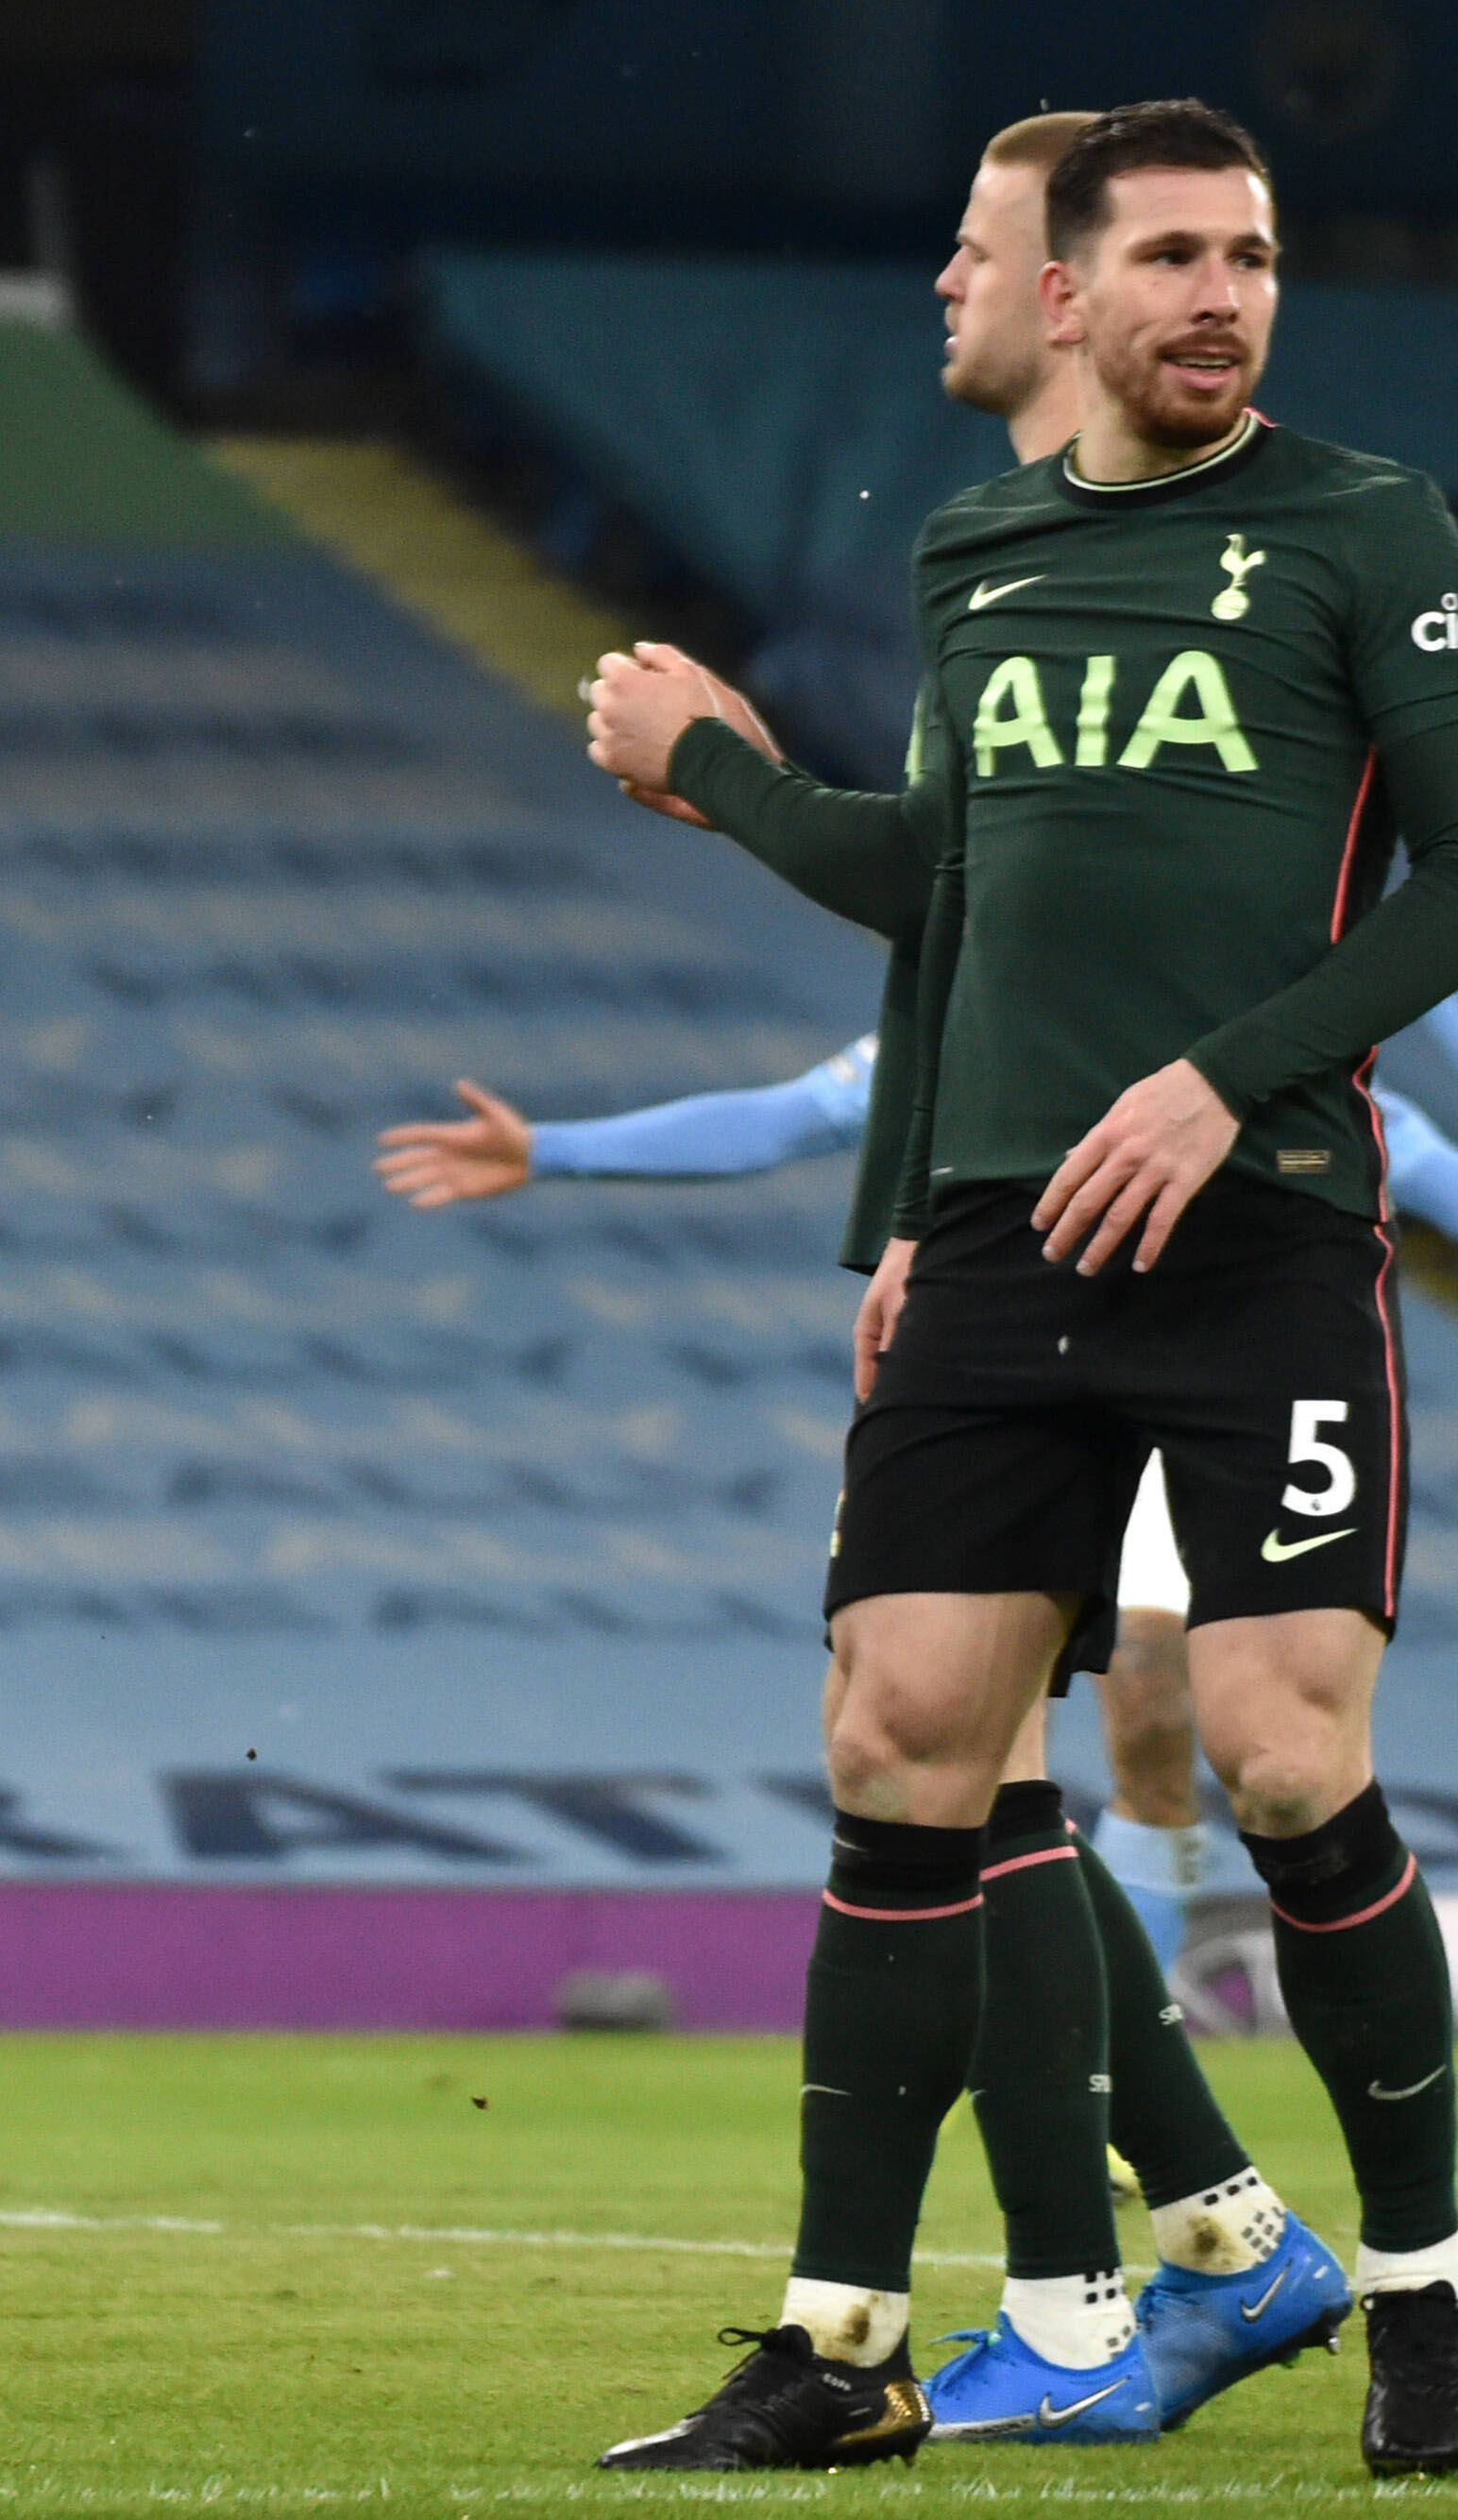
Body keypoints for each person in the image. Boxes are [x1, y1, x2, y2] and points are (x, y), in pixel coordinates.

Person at [585, 100, 1458, 2477]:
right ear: (1072, 292)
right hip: (992, 1240)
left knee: (1280, 1750)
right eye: (1170, 253)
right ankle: (834, 2347)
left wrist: (1220, 1080)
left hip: (1258, 1218)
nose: (1220, 294)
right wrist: (735, 796)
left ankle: (1428, 2299)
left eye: (1250, 255)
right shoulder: (974, 553)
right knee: (898, 1750)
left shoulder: (1362, 529)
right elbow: (947, 910)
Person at [376, 1022, 1458, 1965]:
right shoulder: (992, 1023)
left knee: (1177, 1722)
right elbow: (789, 1116)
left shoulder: (1281, 1062)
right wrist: (551, 1149)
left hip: (1233, 1394)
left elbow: (1420, 1168)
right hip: (1038, 1397)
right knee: (984, 1741)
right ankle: (1114, 2080)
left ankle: (1156, 2046)